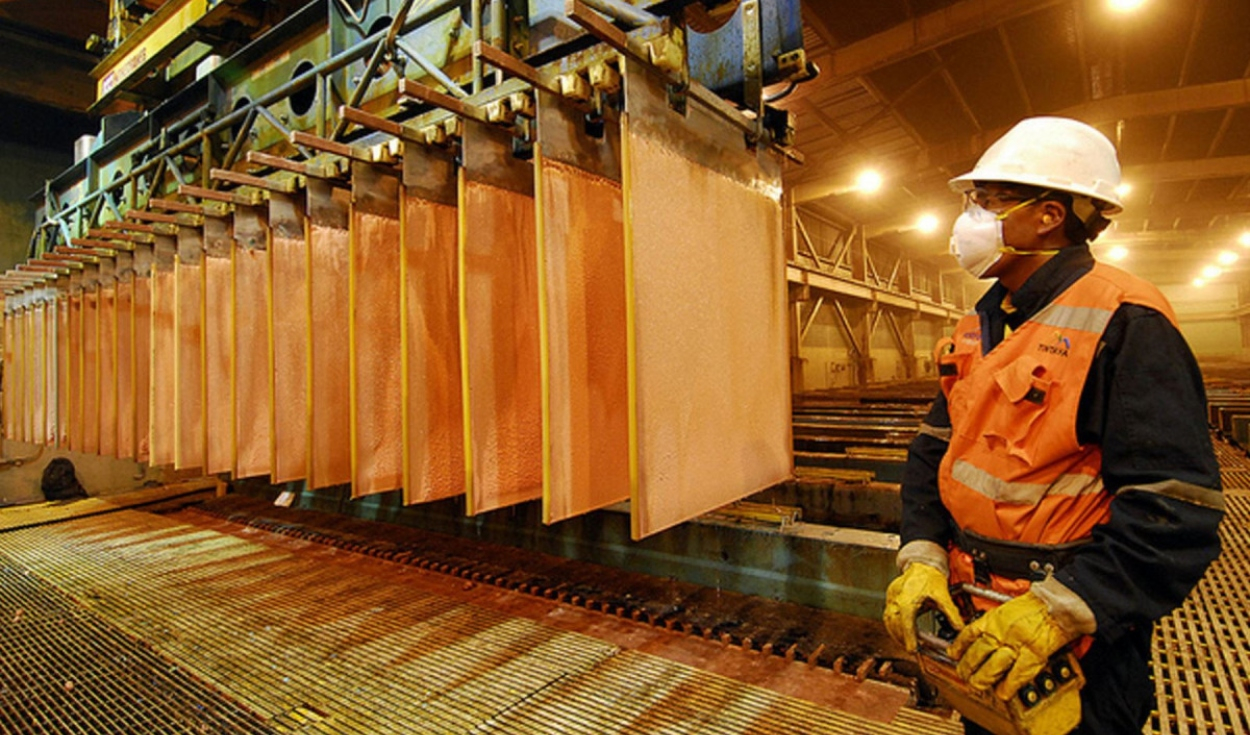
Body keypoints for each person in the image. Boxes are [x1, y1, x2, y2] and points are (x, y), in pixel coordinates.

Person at [882, 116, 1224, 734]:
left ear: (1048, 216)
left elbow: (1174, 510)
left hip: (1073, 644)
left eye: (990, 201)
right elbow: (934, 453)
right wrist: (924, 556)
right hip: (979, 628)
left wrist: (1061, 610)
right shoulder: (979, 325)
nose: (970, 219)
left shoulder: (1126, 321)